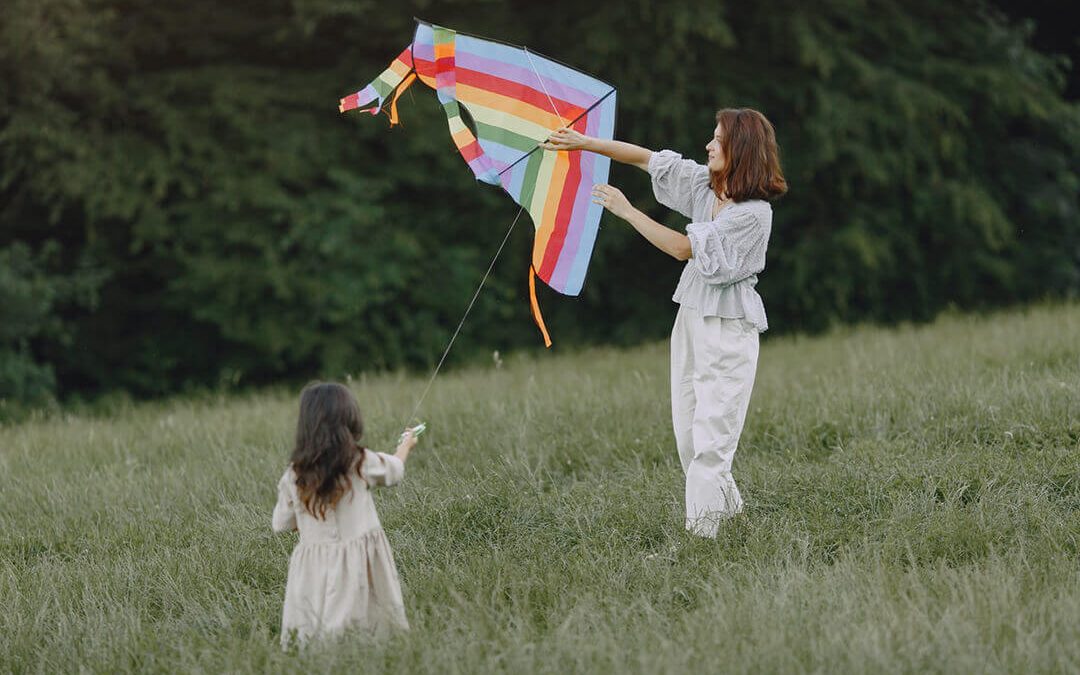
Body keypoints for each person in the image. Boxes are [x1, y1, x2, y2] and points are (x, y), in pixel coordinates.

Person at [542, 108, 787, 537]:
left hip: (728, 325)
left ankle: (701, 543)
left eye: (717, 139)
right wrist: (583, 143)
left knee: (712, 442)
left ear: (740, 149)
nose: (709, 145)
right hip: (691, 315)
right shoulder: (705, 186)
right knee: (689, 438)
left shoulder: (753, 214)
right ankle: (739, 526)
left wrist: (627, 211)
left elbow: (681, 249)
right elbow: (646, 159)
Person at [272, 381, 419, 646]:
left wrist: (308, 525)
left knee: (315, 620)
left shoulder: (294, 474)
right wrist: (405, 446)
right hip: (357, 558)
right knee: (366, 620)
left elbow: (281, 523)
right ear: (349, 420)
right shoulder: (360, 461)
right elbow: (394, 470)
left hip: (313, 562)